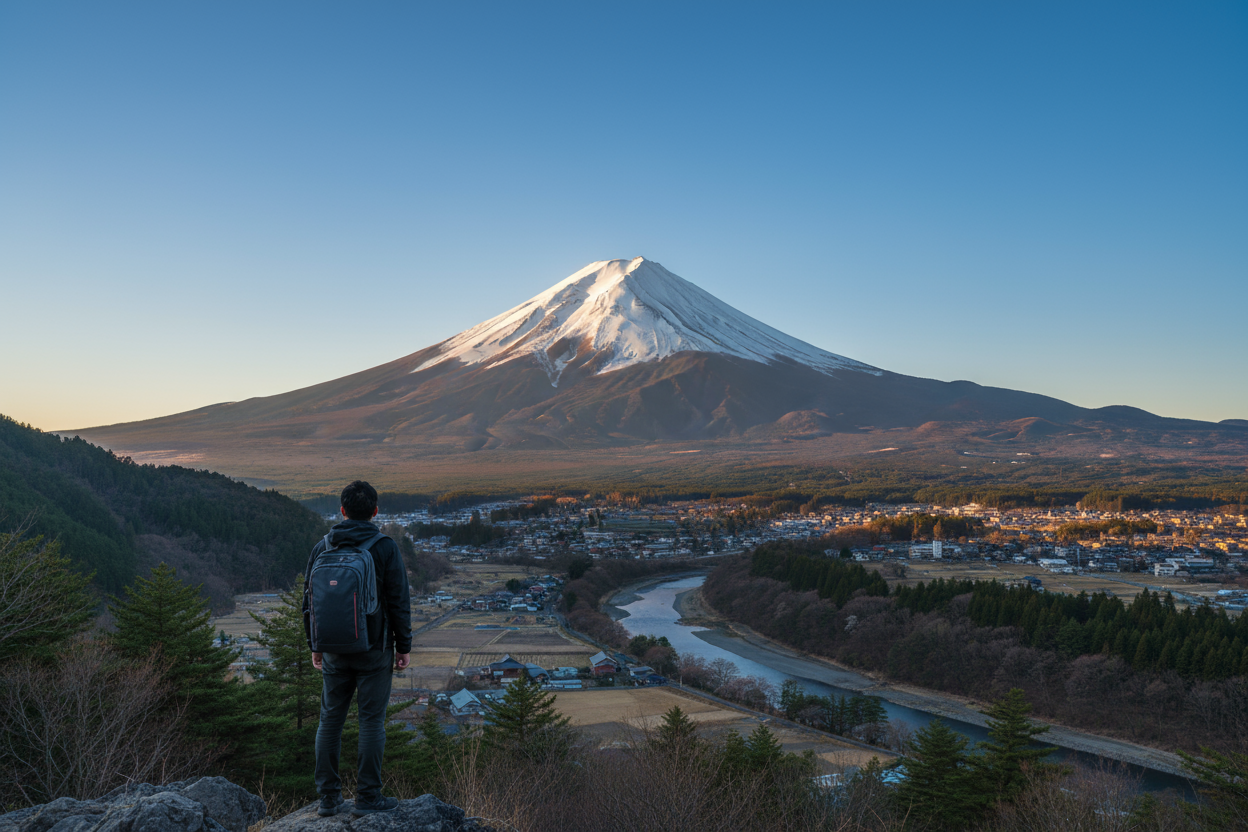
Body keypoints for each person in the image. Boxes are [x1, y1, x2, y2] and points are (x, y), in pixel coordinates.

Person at [303, 480, 412, 817]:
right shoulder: (384, 547)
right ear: (375, 511)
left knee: (330, 721)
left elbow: (309, 601)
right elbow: (398, 601)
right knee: (371, 722)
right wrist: (403, 646)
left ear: (342, 510)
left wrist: (315, 644)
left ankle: (328, 799)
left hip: (334, 649)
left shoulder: (323, 546)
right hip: (374, 649)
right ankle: (367, 798)